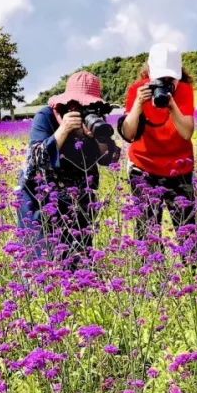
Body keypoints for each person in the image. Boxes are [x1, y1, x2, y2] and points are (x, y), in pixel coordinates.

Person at [16, 71, 120, 260]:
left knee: (79, 262)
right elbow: (35, 161)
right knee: (44, 263)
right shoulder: (46, 116)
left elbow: (110, 158)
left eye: (89, 106)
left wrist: (97, 137)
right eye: (79, 105)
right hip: (41, 200)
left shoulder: (95, 118)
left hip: (78, 201)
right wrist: (63, 130)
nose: (84, 110)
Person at [118, 42, 197, 241]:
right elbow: (128, 134)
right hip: (144, 166)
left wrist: (172, 106)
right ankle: (153, 269)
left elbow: (186, 133)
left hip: (179, 167)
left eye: (171, 79)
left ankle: (195, 268)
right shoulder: (137, 90)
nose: (166, 83)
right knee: (147, 231)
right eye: (160, 79)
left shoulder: (185, 90)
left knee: (187, 230)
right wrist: (138, 104)